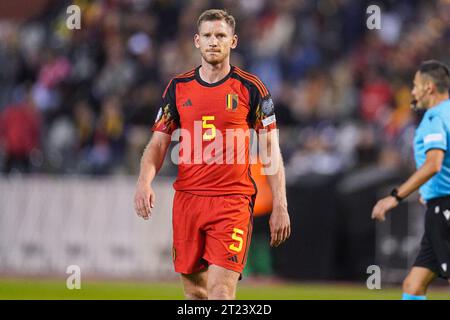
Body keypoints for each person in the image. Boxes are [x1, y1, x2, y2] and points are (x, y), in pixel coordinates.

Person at [134, 9, 290, 300]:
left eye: (220, 35)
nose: (213, 41)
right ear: (196, 41)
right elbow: (157, 144)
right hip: (188, 202)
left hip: (232, 203)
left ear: (233, 41)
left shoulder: (251, 89)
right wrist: (144, 181)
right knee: (195, 294)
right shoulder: (178, 88)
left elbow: (271, 150)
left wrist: (280, 203)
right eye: (207, 35)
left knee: (220, 292)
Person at [371, 60, 450, 300]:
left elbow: (433, 163)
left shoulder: (434, 118)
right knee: (413, 286)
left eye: (415, 86)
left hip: (445, 207)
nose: (412, 92)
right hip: (439, 208)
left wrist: (395, 197)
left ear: (429, 88)